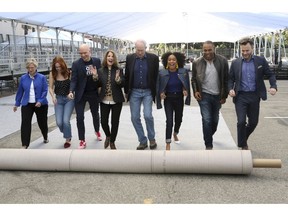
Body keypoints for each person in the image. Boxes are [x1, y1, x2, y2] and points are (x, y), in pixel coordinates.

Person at [228, 37, 277, 150]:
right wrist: (230, 89)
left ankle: (242, 138)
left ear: (252, 49)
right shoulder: (235, 63)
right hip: (240, 96)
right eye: (243, 51)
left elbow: (270, 74)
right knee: (241, 122)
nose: (245, 53)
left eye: (247, 50)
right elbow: (230, 79)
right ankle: (243, 145)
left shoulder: (260, 61)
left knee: (253, 122)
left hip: (255, 96)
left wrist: (273, 86)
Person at [191, 40, 229, 150]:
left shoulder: (222, 61)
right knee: (206, 119)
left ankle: (209, 134)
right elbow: (193, 79)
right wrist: (195, 91)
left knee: (215, 120)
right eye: (205, 50)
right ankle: (208, 145)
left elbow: (226, 79)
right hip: (204, 95)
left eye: (209, 50)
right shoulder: (197, 62)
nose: (207, 52)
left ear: (214, 49)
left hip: (217, 96)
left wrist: (224, 96)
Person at [124, 39, 159, 150]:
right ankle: (142, 141)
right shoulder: (130, 58)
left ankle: (152, 139)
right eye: (137, 50)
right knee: (134, 117)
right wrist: (126, 91)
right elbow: (127, 75)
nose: (139, 52)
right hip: (134, 91)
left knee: (148, 115)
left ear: (145, 48)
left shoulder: (153, 58)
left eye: (141, 50)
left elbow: (156, 76)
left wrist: (158, 92)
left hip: (148, 91)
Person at [68, 44, 102, 149]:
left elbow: (101, 76)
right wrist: (71, 91)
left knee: (95, 114)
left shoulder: (96, 61)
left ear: (89, 51)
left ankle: (97, 130)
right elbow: (73, 79)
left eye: (85, 53)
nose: (83, 55)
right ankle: (82, 140)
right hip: (80, 93)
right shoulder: (76, 64)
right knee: (79, 117)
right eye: (81, 53)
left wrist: (96, 77)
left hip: (93, 92)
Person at [157, 52, 191, 150]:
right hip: (168, 99)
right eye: (169, 59)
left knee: (179, 119)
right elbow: (159, 87)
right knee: (169, 121)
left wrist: (185, 90)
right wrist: (161, 93)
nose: (171, 61)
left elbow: (186, 85)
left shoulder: (183, 72)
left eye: (174, 59)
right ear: (166, 61)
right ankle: (168, 142)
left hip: (179, 98)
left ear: (177, 61)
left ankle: (175, 133)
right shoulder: (162, 73)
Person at [92, 50, 125, 150]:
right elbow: (97, 85)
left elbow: (123, 83)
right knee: (103, 122)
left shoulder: (119, 70)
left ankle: (112, 141)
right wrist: (95, 77)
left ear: (114, 59)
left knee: (115, 122)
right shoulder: (100, 70)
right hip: (104, 100)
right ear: (106, 58)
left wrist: (118, 80)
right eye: (108, 56)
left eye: (112, 56)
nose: (110, 58)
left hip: (117, 100)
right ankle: (108, 135)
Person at [13, 58, 49, 149]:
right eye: (28, 67)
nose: (30, 69)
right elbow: (20, 92)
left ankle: (45, 136)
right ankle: (25, 144)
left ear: (36, 67)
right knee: (25, 123)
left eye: (32, 67)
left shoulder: (42, 77)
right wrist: (17, 104)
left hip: (41, 104)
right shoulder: (23, 78)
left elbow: (45, 91)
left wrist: (40, 101)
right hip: (27, 104)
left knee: (42, 122)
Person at [49, 56, 74, 148]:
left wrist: (71, 92)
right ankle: (67, 132)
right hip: (58, 99)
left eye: (59, 66)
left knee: (65, 121)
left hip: (69, 99)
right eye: (56, 67)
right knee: (59, 122)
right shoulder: (52, 73)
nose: (58, 68)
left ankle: (67, 139)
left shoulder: (69, 72)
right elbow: (50, 88)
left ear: (63, 65)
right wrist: (53, 97)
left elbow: (73, 85)